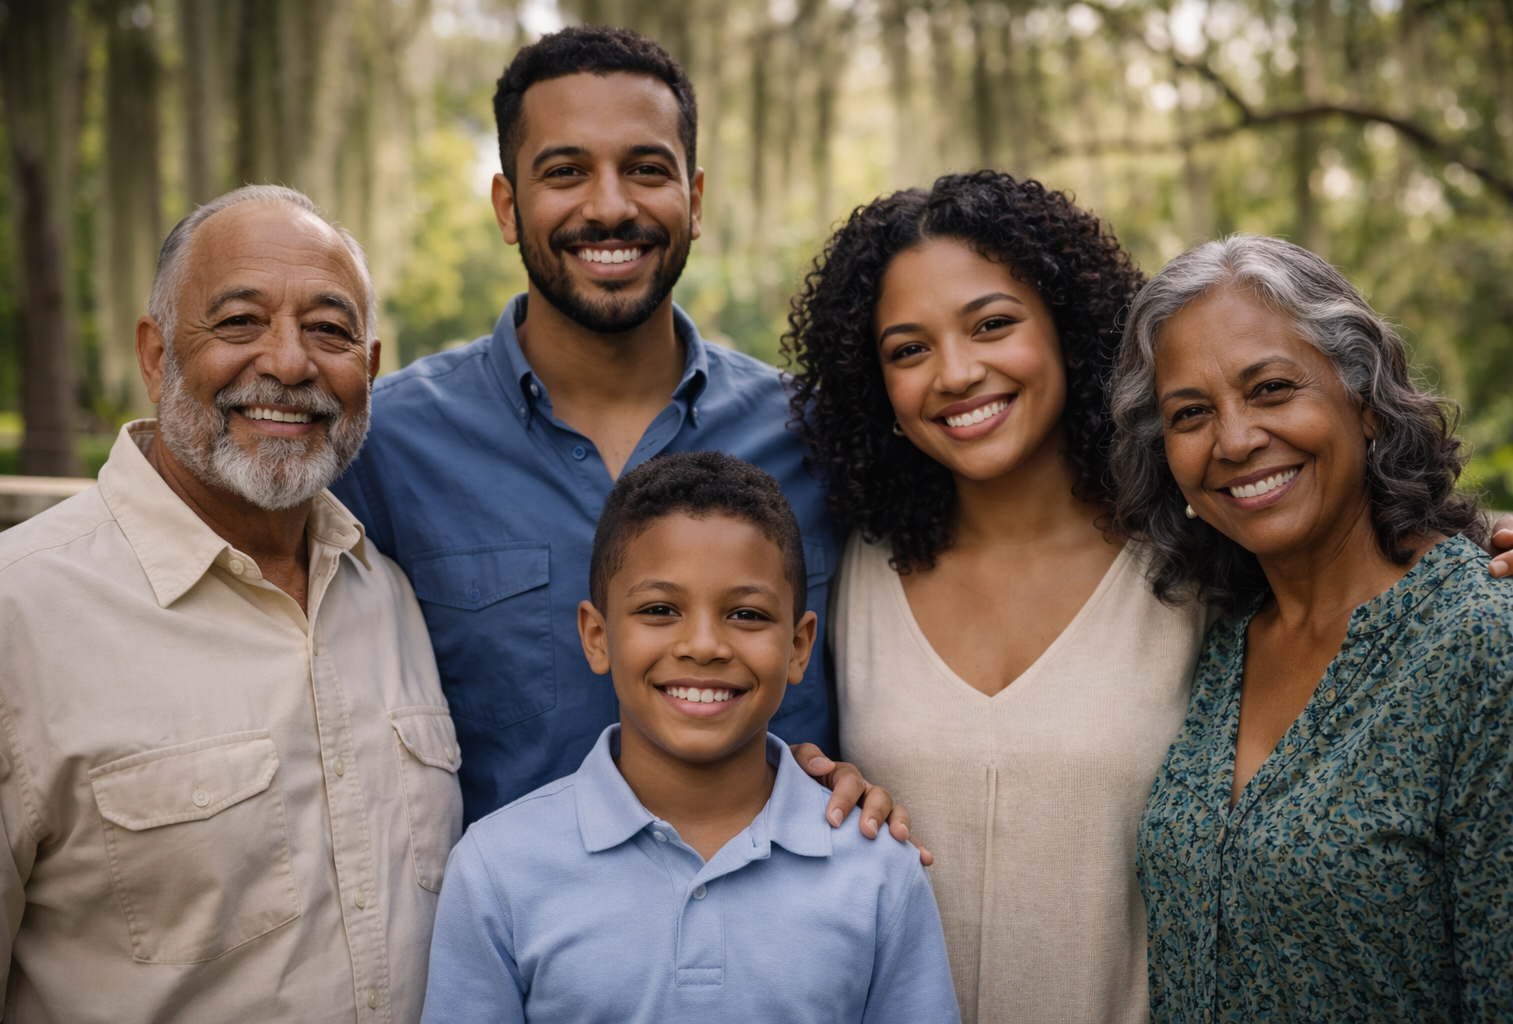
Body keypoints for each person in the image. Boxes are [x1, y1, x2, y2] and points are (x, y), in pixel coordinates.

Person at [329, 26, 918, 852]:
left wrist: (865, 774)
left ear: (696, 199)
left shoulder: (818, 434)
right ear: (508, 207)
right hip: (516, 955)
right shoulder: (386, 447)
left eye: (646, 169)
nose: (609, 206)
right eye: (565, 172)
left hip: (786, 947)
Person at [0, 185, 461, 1023]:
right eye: (239, 322)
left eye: (330, 330)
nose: (288, 363)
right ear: (156, 354)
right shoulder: (7, 620)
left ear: (370, 371)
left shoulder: (388, 594)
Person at [782, 169, 1206, 1024]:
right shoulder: (846, 568)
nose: (956, 373)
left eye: (992, 325)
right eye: (909, 349)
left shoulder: (1198, 563)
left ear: (1068, 330)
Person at [1112, 234, 1513, 1021]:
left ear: (1364, 402)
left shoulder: (1483, 646)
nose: (1234, 440)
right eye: (1191, 413)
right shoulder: (1219, 638)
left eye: (1270, 388)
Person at [420, 452, 960, 1024]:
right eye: (660, 609)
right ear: (597, 637)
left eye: (747, 614)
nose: (703, 645)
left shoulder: (876, 868)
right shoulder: (498, 868)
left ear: (800, 646)